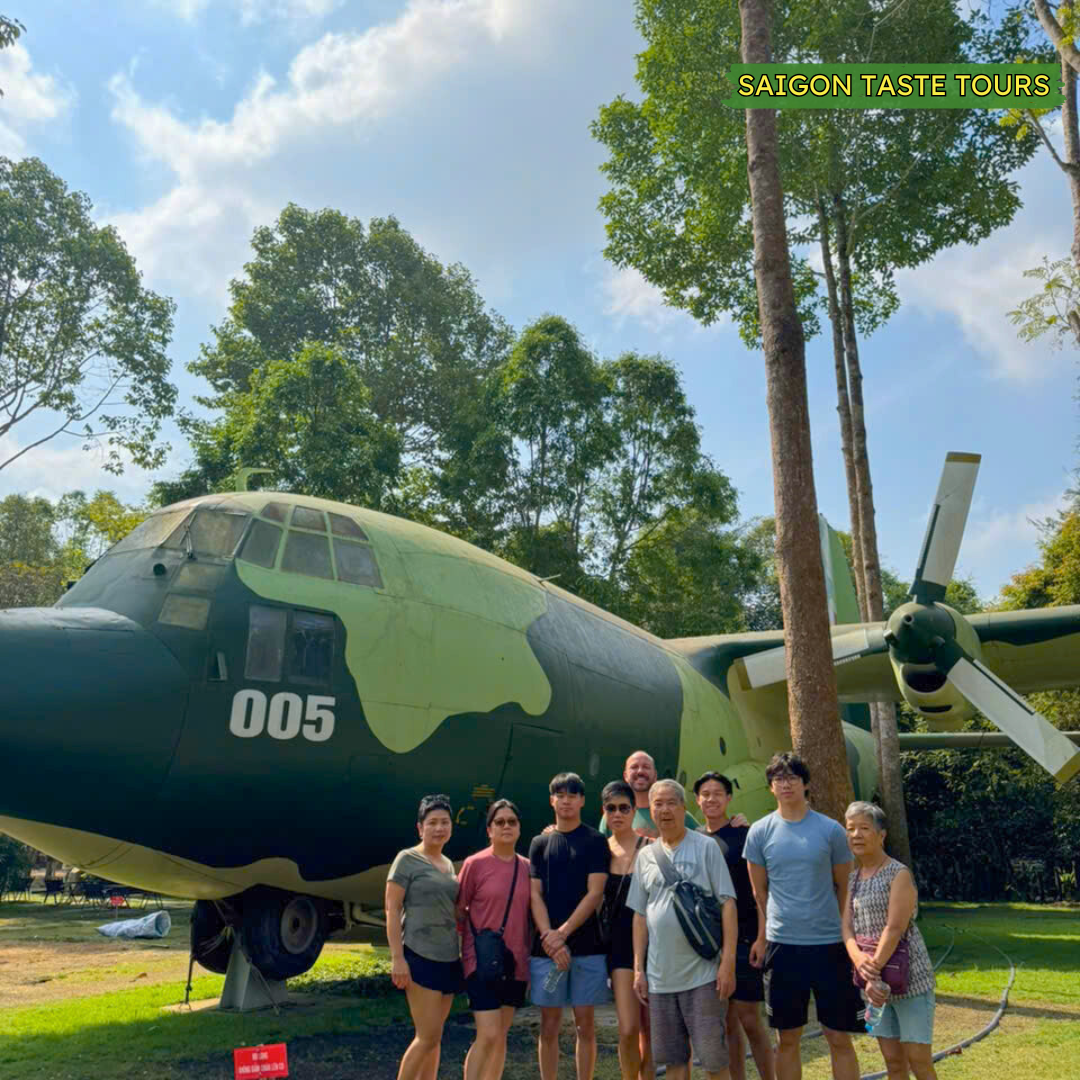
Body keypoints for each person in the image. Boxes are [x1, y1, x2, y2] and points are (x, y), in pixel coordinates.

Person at [744, 753, 864, 1080]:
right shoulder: (759, 832)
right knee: (787, 1038)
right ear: (771, 787)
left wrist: (848, 937)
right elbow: (759, 893)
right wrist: (761, 936)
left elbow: (846, 887)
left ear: (806, 783)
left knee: (838, 1036)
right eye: (779, 779)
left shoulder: (831, 831)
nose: (786, 784)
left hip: (830, 945)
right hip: (783, 948)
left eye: (792, 777)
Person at [628, 779, 738, 1080]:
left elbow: (728, 904)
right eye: (658, 804)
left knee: (714, 1061)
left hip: (704, 976)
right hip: (660, 980)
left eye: (671, 803)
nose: (665, 810)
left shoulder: (706, 847)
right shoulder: (645, 857)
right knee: (673, 1061)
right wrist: (639, 969)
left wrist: (727, 963)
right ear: (650, 811)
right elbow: (639, 915)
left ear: (683, 807)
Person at [842, 801, 938, 1080]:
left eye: (864, 828)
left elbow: (894, 928)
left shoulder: (899, 874)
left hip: (910, 982)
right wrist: (860, 963)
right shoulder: (852, 879)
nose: (856, 835)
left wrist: (873, 973)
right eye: (851, 829)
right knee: (893, 1062)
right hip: (872, 986)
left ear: (881, 835)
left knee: (919, 1060)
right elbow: (846, 929)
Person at [529, 772, 610, 1080]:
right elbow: (534, 895)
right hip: (546, 949)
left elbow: (595, 893)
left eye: (573, 795)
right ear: (552, 800)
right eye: (560, 795)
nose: (566, 800)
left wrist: (562, 934)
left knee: (584, 1025)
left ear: (582, 801)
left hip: (586, 948)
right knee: (548, 1026)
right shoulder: (539, 843)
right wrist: (549, 938)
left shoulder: (594, 841)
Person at [694, 772, 775, 1080]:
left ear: (729, 799)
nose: (711, 799)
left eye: (718, 793)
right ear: (697, 800)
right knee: (727, 1023)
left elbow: (761, 890)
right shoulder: (695, 838)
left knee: (750, 1019)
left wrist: (761, 936)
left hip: (745, 940)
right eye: (705, 793)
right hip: (709, 944)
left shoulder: (745, 834)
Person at [386, 794, 462, 1080]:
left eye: (444, 822)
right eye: (432, 823)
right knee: (426, 1036)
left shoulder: (447, 864)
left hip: (448, 957)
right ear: (420, 828)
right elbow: (391, 909)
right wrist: (397, 958)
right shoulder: (407, 859)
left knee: (436, 1037)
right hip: (419, 956)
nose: (439, 828)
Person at [458, 799, 533, 1080]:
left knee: (501, 1035)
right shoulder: (474, 864)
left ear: (519, 828)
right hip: (481, 961)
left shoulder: (527, 868)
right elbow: (459, 910)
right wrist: (467, 954)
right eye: (499, 822)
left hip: (515, 962)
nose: (506, 826)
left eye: (511, 822)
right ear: (489, 830)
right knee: (487, 1034)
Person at [601, 779, 655, 1080]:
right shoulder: (600, 850)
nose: (618, 814)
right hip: (619, 947)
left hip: (654, 943)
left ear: (634, 811)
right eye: (612, 808)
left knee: (652, 1028)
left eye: (624, 808)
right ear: (604, 812)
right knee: (628, 1027)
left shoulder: (649, 848)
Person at [599, 751, 701, 839]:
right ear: (625, 775)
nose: (640, 771)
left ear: (655, 775)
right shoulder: (613, 816)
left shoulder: (677, 814)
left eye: (646, 767)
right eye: (634, 767)